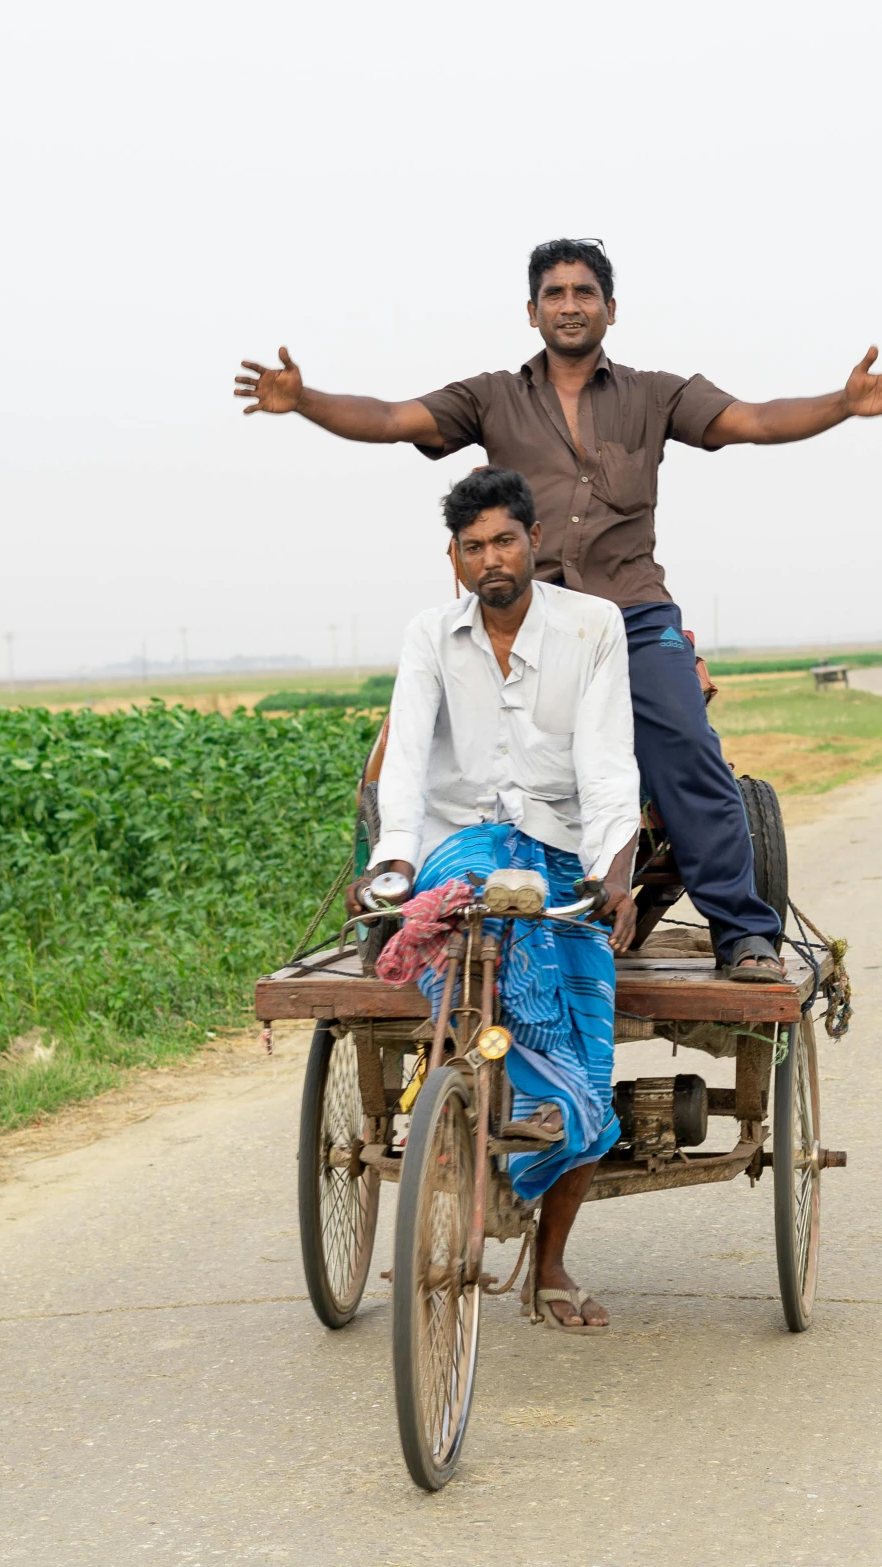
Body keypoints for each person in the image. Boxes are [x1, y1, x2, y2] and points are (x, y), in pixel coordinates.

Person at [237, 237, 882, 982]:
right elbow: (396, 417)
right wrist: (303, 402)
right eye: (554, 294)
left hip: (632, 616)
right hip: (528, 615)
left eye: (584, 292)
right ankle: (407, 909)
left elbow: (752, 419)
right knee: (415, 747)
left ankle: (744, 932)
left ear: (610, 309)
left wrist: (843, 406)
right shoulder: (493, 396)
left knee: (686, 747)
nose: (569, 305)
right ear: (532, 311)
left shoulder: (655, 395)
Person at [364, 466, 643, 1332]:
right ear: (454, 558)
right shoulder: (429, 635)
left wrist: (615, 870)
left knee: (587, 1059)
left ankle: (549, 1263)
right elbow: (405, 758)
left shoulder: (593, 627)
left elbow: (606, 764)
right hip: (464, 848)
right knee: (466, 926)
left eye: (505, 540)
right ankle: (461, 1116)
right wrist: (395, 864)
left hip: (561, 852)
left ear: (533, 543)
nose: (492, 558)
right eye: (473, 546)